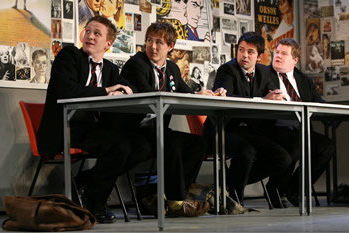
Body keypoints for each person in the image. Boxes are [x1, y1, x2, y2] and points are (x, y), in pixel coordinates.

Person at [36, 16, 151, 224]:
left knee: (142, 145)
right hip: (65, 128)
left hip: (92, 130)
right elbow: (68, 90)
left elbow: (129, 87)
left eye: (97, 33)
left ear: (108, 43)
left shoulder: (110, 69)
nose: (90, 36)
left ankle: (85, 181)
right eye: (88, 31)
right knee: (119, 145)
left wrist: (123, 92)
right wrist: (107, 90)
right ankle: (95, 203)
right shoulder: (69, 56)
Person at [120, 21, 224, 217]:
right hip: (134, 131)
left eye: (159, 42)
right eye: (150, 41)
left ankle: (174, 196)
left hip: (156, 130)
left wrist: (199, 94)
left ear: (171, 46)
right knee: (173, 143)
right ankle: (176, 203)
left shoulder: (172, 68)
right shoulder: (136, 64)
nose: (152, 46)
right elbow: (150, 96)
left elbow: (185, 94)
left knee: (198, 144)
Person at [203, 31, 291, 206]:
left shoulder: (264, 72)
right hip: (222, 130)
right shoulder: (227, 70)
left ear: (259, 57)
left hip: (248, 131)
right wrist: (262, 99)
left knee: (283, 158)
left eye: (250, 52)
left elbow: (273, 93)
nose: (244, 55)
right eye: (241, 50)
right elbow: (226, 96)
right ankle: (235, 198)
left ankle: (227, 187)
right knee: (247, 151)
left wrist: (278, 96)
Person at [267, 38, 334, 207]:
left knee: (326, 146)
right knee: (296, 142)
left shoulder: (304, 79)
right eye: (277, 52)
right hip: (274, 128)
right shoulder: (263, 74)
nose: (278, 56)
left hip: (300, 129)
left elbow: (319, 102)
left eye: (284, 53)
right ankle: (275, 190)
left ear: (295, 60)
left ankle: (294, 188)